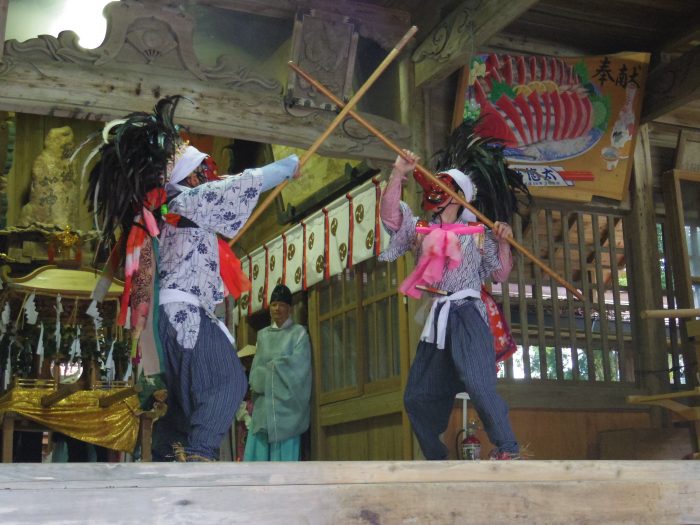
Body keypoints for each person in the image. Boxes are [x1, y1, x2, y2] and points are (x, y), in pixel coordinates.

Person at [84, 96, 299, 461]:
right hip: (185, 311)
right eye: (203, 168)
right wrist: (289, 165)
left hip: (171, 316)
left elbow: (230, 185)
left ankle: (169, 459)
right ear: (188, 176)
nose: (209, 174)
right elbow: (245, 183)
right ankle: (198, 456)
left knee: (185, 400)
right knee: (226, 382)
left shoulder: (167, 210)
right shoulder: (189, 201)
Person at [378, 120, 529, 460]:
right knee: (417, 397)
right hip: (437, 320)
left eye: (443, 189)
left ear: (461, 198)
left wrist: (504, 243)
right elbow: (390, 218)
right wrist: (399, 174)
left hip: (467, 316)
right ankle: (436, 458)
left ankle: (507, 448)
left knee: (478, 383)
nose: (434, 196)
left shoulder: (478, 232)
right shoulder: (420, 230)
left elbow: (500, 274)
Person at [243, 284, 311, 461]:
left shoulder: (298, 334)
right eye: (273, 304)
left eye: (281, 304)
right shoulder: (263, 335)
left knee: (284, 470)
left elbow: (298, 368)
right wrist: (271, 371)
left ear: (289, 308)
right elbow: (255, 374)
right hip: (264, 408)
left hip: (286, 409)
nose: (277, 308)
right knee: (258, 468)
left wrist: (271, 368)